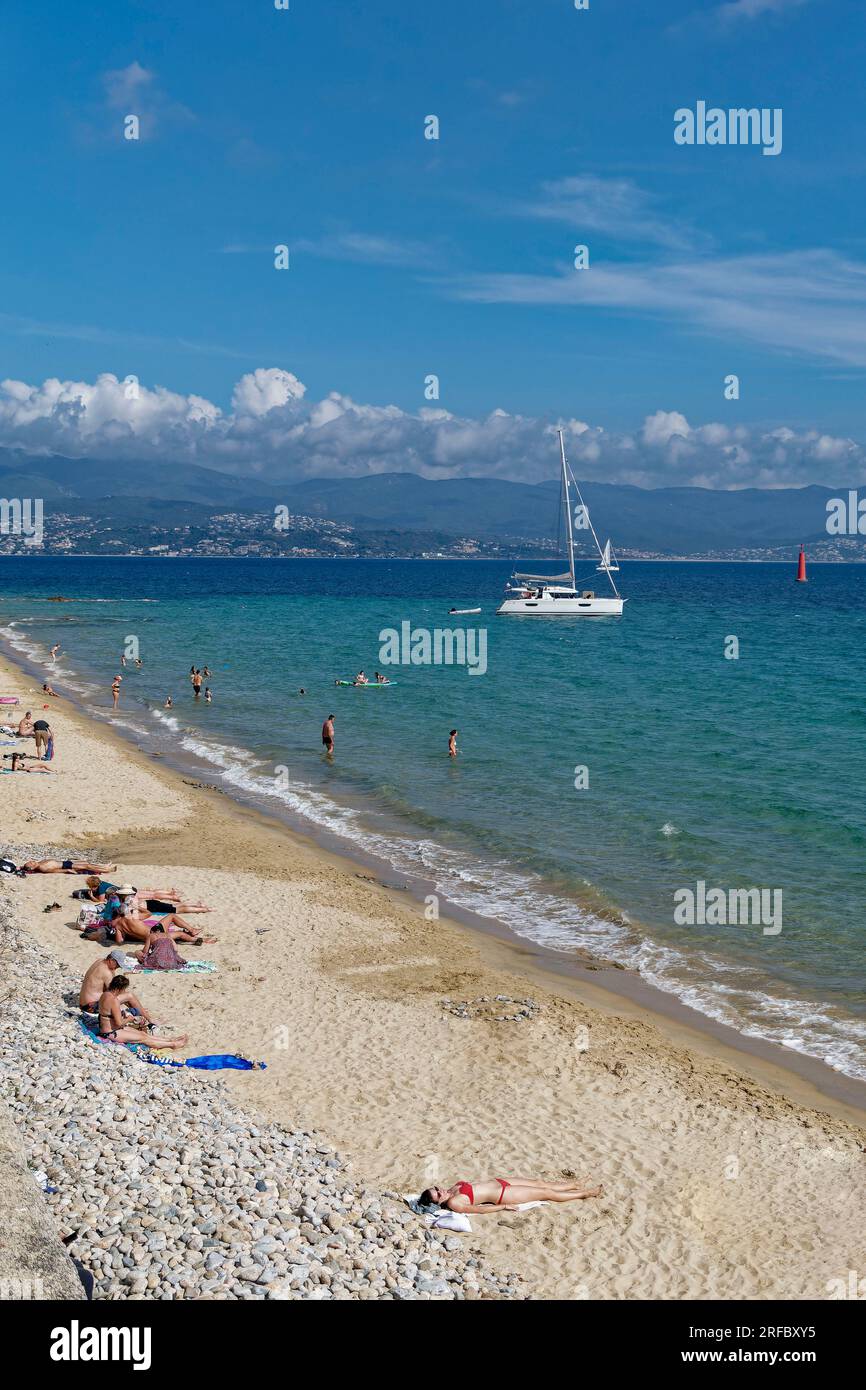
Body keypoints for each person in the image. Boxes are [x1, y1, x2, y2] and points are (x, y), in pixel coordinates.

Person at [419, 1176, 603, 1215]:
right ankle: (586, 1193)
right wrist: (503, 1207)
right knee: (546, 1193)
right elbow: (479, 1210)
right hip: (503, 1194)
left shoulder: (452, 1189)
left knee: (540, 1183)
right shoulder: (454, 1202)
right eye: (438, 1194)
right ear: (438, 1201)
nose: (441, 1190)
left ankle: (574, 1184)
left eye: (437, 1188)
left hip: (501, 1182)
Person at [97, 975, 188, 1050]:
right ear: (119, 989)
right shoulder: (114, 1000)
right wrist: (129, 1019)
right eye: (123, 989)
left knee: (143, 1034)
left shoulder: (105, 994)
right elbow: (119, 1023)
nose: (124, 992)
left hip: (109, 1028)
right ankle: (173, 1045)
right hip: (110, 1032)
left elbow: (108, 1013)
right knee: (143, 1038)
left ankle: (171, 1040)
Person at [20, 857, 115, 875]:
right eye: (31, 863)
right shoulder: (43, 868)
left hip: (66, 862)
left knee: (87, 863)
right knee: (87, 866)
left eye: (31, 861)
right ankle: (106, 870)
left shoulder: (40, 863)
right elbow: (54, 870)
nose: (33, 862)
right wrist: (67, 870)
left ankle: (104, 866)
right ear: (32, 868)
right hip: (66, 866)